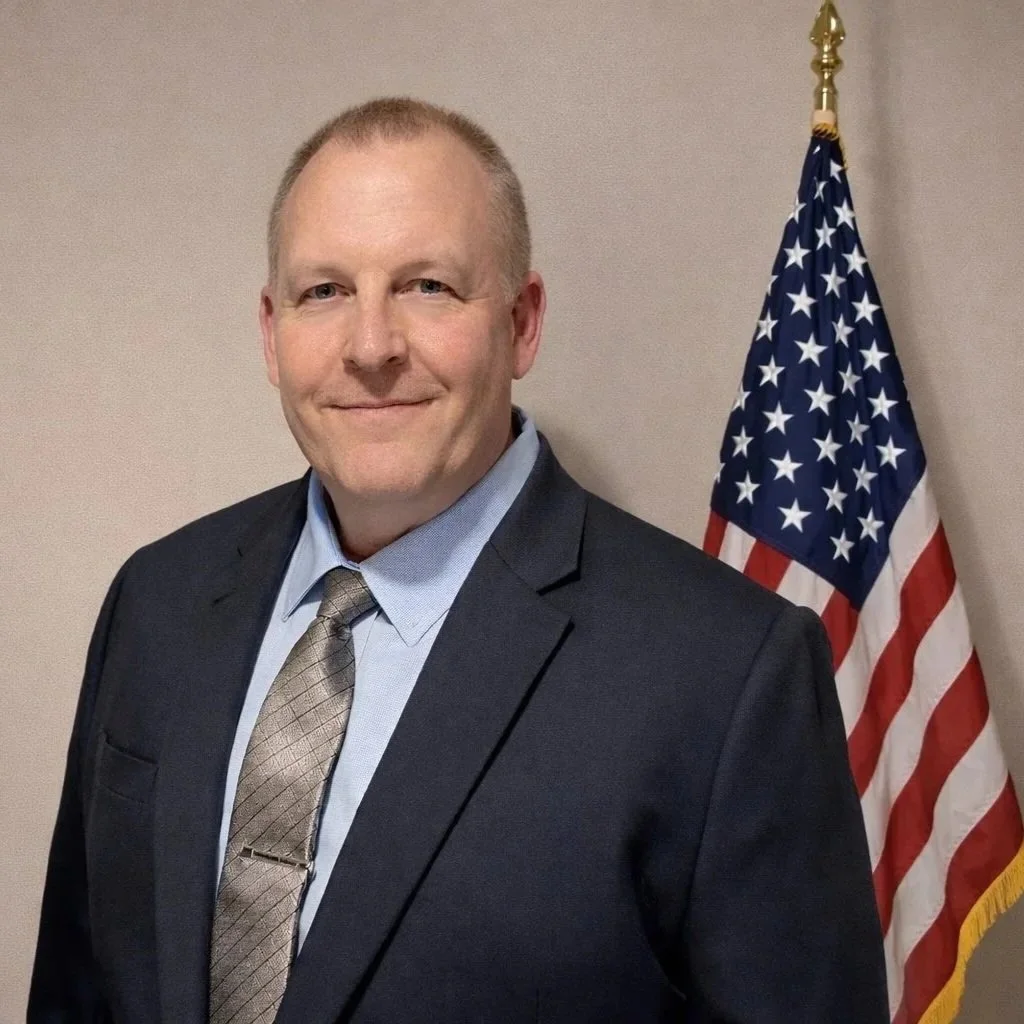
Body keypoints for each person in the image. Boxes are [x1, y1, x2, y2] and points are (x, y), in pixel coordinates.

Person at [28, 97, 889, 1024]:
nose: (370, 348)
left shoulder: (728, 675)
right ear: (272, 332)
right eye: (326, 292)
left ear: (522, 322)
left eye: (428, 286)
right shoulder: (157, 600)